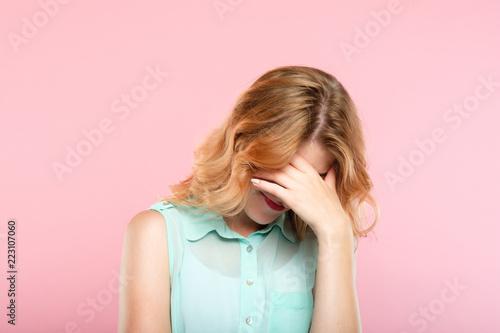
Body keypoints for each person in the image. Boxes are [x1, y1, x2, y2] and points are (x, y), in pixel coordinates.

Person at [118, 65, 379, 333]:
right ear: (241, 138)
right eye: (281, 165)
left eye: (310, 179)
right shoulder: (158, 233)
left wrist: (337, 232)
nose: (285, 191)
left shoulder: (323, 241)